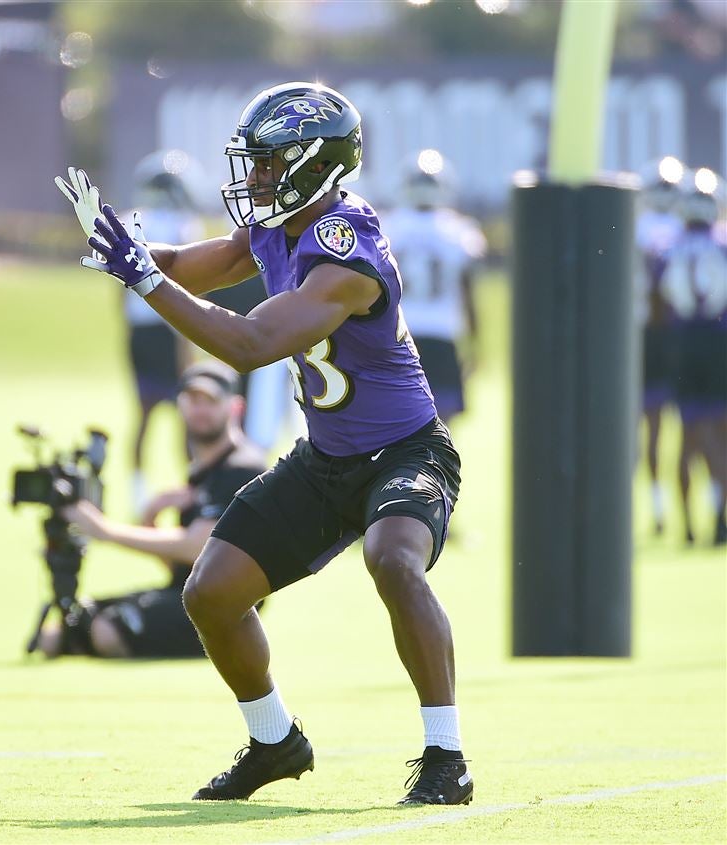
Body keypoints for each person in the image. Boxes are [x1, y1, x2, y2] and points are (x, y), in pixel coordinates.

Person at [57, 81, 471, 806]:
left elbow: (249, 344)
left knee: (392, 560)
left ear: (316, 165)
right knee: (212, 592)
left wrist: (145, 279)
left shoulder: (345, 252)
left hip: (407, 451)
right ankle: (276, 740)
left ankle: (446, 756)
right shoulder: (277, 225)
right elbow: (195, 264)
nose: (253, 178)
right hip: (326, 458)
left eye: (268, 163)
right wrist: (122, 247)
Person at [36, 361, 268, 658]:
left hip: (222, 610)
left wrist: (104, 530)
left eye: (211, 401)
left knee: (106, 630)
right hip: (186, 595)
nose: (201, 410)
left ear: (235, 408)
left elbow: (200, 548)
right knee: (64, 629)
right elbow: (184, 569)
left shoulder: (242, 467)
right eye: (192, 401)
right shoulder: (202, 472)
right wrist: (152, 519)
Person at [123, 153, 206, 512]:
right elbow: (190, 287)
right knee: (185, 418)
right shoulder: (182, 226)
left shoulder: (129, 222)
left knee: (143, 414)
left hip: (139, 329)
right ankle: (194, 491)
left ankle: (137, 492)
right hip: (171, 328)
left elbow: (119, 291)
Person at [381, 151, 485, 425]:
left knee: (397, 421)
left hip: (400, 334)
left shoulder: (387, 228)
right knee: (442, 427)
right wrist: (475, 341)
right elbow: (467, 292)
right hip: (442, 334)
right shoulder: (459, 232)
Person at [658, 170, 727, 546]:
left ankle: (684, 524)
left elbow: (659, 297)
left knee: (686, 435)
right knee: (719, 432)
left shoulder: (669, 244)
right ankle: (719, 515)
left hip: (683, 343)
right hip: (718, 343)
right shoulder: (721, 243)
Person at [636, 157, 687, 536]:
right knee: (695, 428)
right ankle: (701, 510)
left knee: (648, 429)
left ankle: (655, 507)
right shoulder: (687, 230)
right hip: (681, 335)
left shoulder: (636, 229)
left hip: (644, 335)